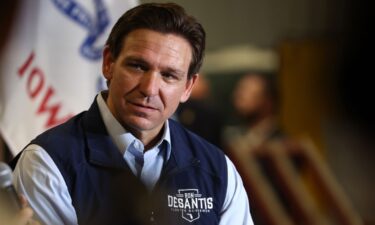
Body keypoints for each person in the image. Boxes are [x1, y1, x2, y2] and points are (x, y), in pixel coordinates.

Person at [11, 3, 254, 225]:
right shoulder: (47, 163)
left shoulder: (218, 170)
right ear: (108, 63)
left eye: (169, 75)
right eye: (138, 66)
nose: (149, 89)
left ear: (188, 87)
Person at [225, 72, 284, 152]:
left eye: (246, 90)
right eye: (239, 90)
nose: (237, 95)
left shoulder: (282, 144)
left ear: (268, 102)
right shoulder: (235, 138)